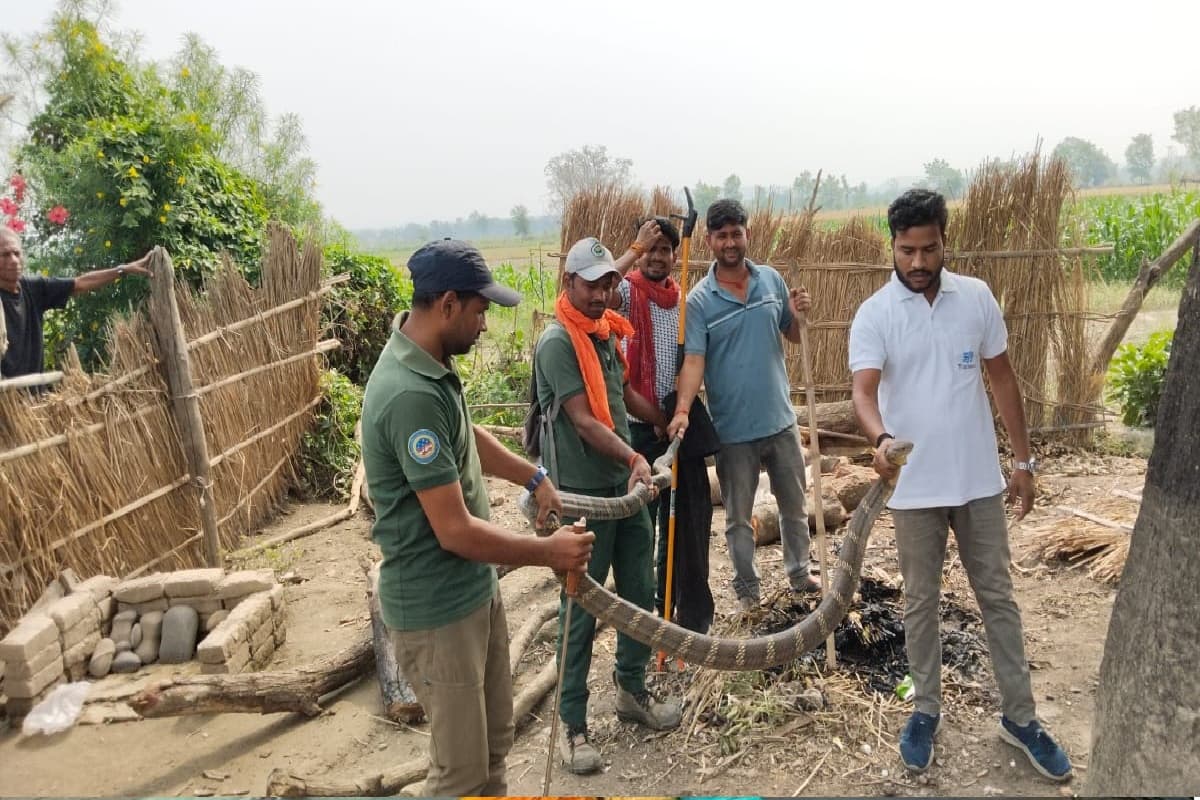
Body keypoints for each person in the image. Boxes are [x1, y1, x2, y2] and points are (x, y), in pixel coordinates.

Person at [848, 189, 1071, 781]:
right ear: (891, 247)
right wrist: (880, 442)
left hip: (978, 483)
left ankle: (1020, 719)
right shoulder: (876, 314)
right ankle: (925, 710)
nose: (918, 262)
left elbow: (1003, 382)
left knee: (997, 596)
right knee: (919, 603)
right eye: (906, 251)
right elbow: (864, 394)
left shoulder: (975, 298)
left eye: (928, 249)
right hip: (914, 488)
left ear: (945, 242)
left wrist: (1023, 463)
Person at [361, 238, 595, 795]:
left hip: (471, 595)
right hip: (437, 610)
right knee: (459, 773)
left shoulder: (430, 363)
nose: (485, 324)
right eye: (480, 310)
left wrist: (532, 477)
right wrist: (547, 552)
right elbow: (455, 531)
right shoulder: (407, 394)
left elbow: (466, 434)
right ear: (446, 304)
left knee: (492, 747)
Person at [534, 236, 683, 775]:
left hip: (625, 492)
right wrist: (634, 457)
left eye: (606, 284)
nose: (600, 294)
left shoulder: (601, 337)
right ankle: (572, 725)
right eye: (590, 284)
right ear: (569, 283)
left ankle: (631, 688)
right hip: (585, 502)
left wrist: (666, 422)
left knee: (639, 595)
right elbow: (582, 418)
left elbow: (619, 398)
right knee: (580, 610)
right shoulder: (558, 342)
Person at [667, 198, 819, 613]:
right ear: (710, 241)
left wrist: (799, 313)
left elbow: (791, 333)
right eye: (722, 235)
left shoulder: (770, 280)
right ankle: (748, 590)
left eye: (737, 233)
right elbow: (694, 361)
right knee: (737, 518)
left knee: (795, 506)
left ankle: (799, 572)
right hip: (733, 431)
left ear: (746, 234)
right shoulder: (699, 301)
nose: (731, 242)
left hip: (781, 420)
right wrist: (683, 408)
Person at [610, 216, 716, 634]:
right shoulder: (622, 292)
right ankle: (639, 617)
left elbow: (691, 360)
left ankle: (669, 607)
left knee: (679, 527)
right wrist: (633, 249)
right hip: (634, 430)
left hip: (674, 428)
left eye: (664, 250)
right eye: (650, 249)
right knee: (640, 525)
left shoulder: (683, 303)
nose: (657, 257)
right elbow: (589, 290)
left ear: (676, 255)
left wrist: (676, 413)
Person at [0, 228, 151, 378]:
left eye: (17, 253)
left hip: (35, 395)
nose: (13, 260)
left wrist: (123, 270)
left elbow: (80, 283)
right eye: (5, 255)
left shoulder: (32, 288)